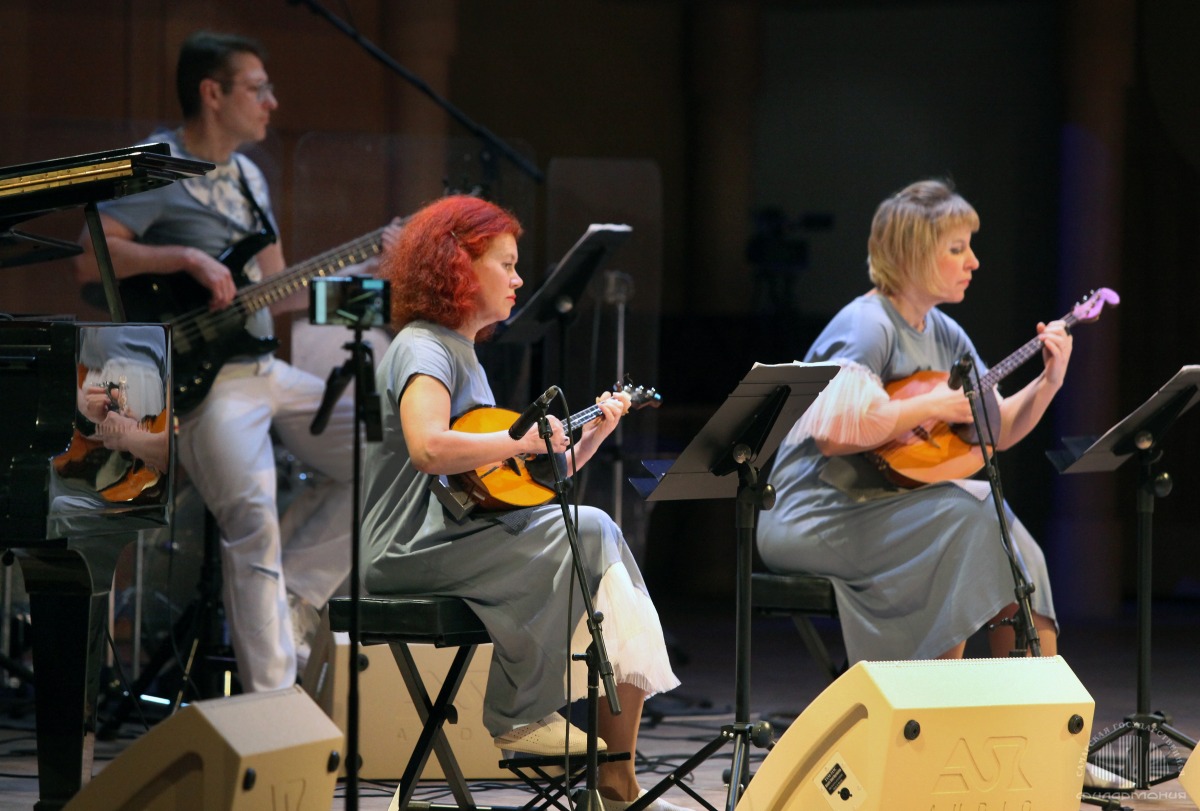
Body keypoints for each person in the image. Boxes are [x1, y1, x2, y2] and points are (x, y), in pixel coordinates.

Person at [361, 194, 686, 811]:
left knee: (600, 549)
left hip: (459, 537)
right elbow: (429, 448)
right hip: (410, 547)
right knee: (592, 529)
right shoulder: (424, 347)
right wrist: (525, 438)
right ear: (458, 266)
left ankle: (617, 779)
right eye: (506, 265)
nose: (517, 280)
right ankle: (523, 716)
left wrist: (587, 440)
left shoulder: (463, 354)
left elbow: (508, 483)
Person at [73, 30, 370, 692]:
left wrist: (371, 280)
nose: (272, 102)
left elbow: (280, 289)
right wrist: (184, 257)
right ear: (213, 93)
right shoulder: (156, 162)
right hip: (207, 381)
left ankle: (291, 594)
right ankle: (274, 705)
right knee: (252, 516)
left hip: (263, 368)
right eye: (258, 88)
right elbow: (89, 260)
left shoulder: (249, 177)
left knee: (388, 453)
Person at [756, 179, 1070, 663]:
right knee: (968, 518)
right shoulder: (868, 324)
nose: (973, 262)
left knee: (1013, 540)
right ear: (913, 255)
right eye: (957, 249)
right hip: (816, 513)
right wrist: (933, 406)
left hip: (888, 512)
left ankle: (1036, 700)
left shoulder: (947, 334)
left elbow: (999, 429)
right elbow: (836, 435)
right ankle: (932, 698)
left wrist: (1048, 381)